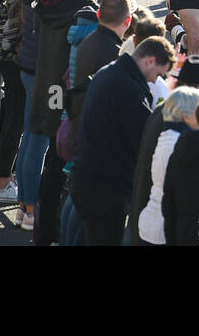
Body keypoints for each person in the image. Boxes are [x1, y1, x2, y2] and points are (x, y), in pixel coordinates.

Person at [71, 35, 176, 245]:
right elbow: (145, 142)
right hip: (107, 189)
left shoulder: (108, 72)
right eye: (158, 74)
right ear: (149, 61)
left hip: (87, 177)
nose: (156, 81)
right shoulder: (129, 89)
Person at [134, 85, 199, 246]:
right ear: (186, 114)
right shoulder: (180, 143)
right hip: (162, 229)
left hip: (150, 222)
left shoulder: (166, 134)